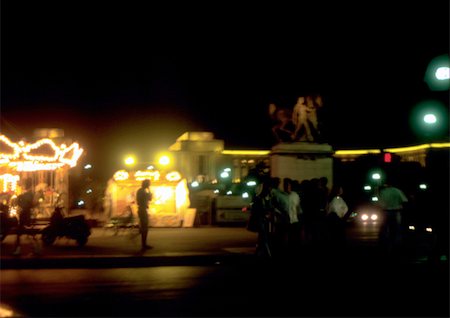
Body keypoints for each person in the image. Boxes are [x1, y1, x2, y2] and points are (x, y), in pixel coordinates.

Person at [377, 180, 408, 254]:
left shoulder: (383, 192)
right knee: (396, 228)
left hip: (385, 211)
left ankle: (384, 244)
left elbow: (379, 202)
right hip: (396, 211)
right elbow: (405, 200)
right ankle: (396, 244)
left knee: (384, 228)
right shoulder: (397, 191)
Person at [13, 178, 36, 256]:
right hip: (25, 215)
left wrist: (20, 198)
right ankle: (33, 248)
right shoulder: (28, 194)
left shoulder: (28, 194)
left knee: (22, 232)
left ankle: (33, 248)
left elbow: (28, 204)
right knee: (23, 232)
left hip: (25, 215)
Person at [325, 184, 348, 249]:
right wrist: (341, 214)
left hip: (335, 218)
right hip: (335, 218)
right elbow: (336, 208)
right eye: (340, 189)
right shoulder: (335, 199)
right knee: (337, 234)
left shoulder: (336, 198)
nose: (342, 190)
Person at [136, 179, 153, 250]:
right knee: (145, 228)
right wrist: (149, 191)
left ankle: (144, 244)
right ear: (146, 184)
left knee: (144, 227)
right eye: (149, 184)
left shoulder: (141, 191)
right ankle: (144, 245)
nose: (149, 185)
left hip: (142, 210)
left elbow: (149, 199)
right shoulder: (142, 191)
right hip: (142, 210)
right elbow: (150, 198)